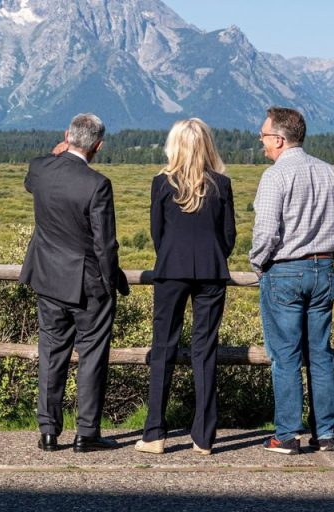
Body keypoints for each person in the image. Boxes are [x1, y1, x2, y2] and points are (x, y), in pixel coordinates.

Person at [19, 113, 129, 453]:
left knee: (51, 353)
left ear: (67, 136)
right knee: (92, 357)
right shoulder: (97, 184)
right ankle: (86, 432)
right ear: (99, 146)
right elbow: (104, 244)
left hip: (47, 278)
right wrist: (111, 283)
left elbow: (30, 183)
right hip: (88, 283)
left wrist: (55, 154)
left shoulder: (40, 169)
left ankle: (48, 431)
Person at [249, 106, 334, 455]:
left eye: (264, 136)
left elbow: (266, 233)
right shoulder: (331, 173)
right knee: (320, 353)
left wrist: (258, 263)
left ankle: (287, 434)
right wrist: (329, 255)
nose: (262, 142)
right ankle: (325, 433)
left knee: (285, 356)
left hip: (285, 271)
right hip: (323, 269)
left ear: (279, 139)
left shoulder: (275, 177)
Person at [134, 118, 236, 456]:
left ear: (175, 146)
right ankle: (204, 437)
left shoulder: (161, 183)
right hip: (212, 271)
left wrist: (172, 255)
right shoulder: (222, 184)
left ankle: (154, 433)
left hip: (171, 269)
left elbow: (157, 233)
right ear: (207, 145)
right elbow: (229, 236)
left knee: (163, 347)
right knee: (204, 350)